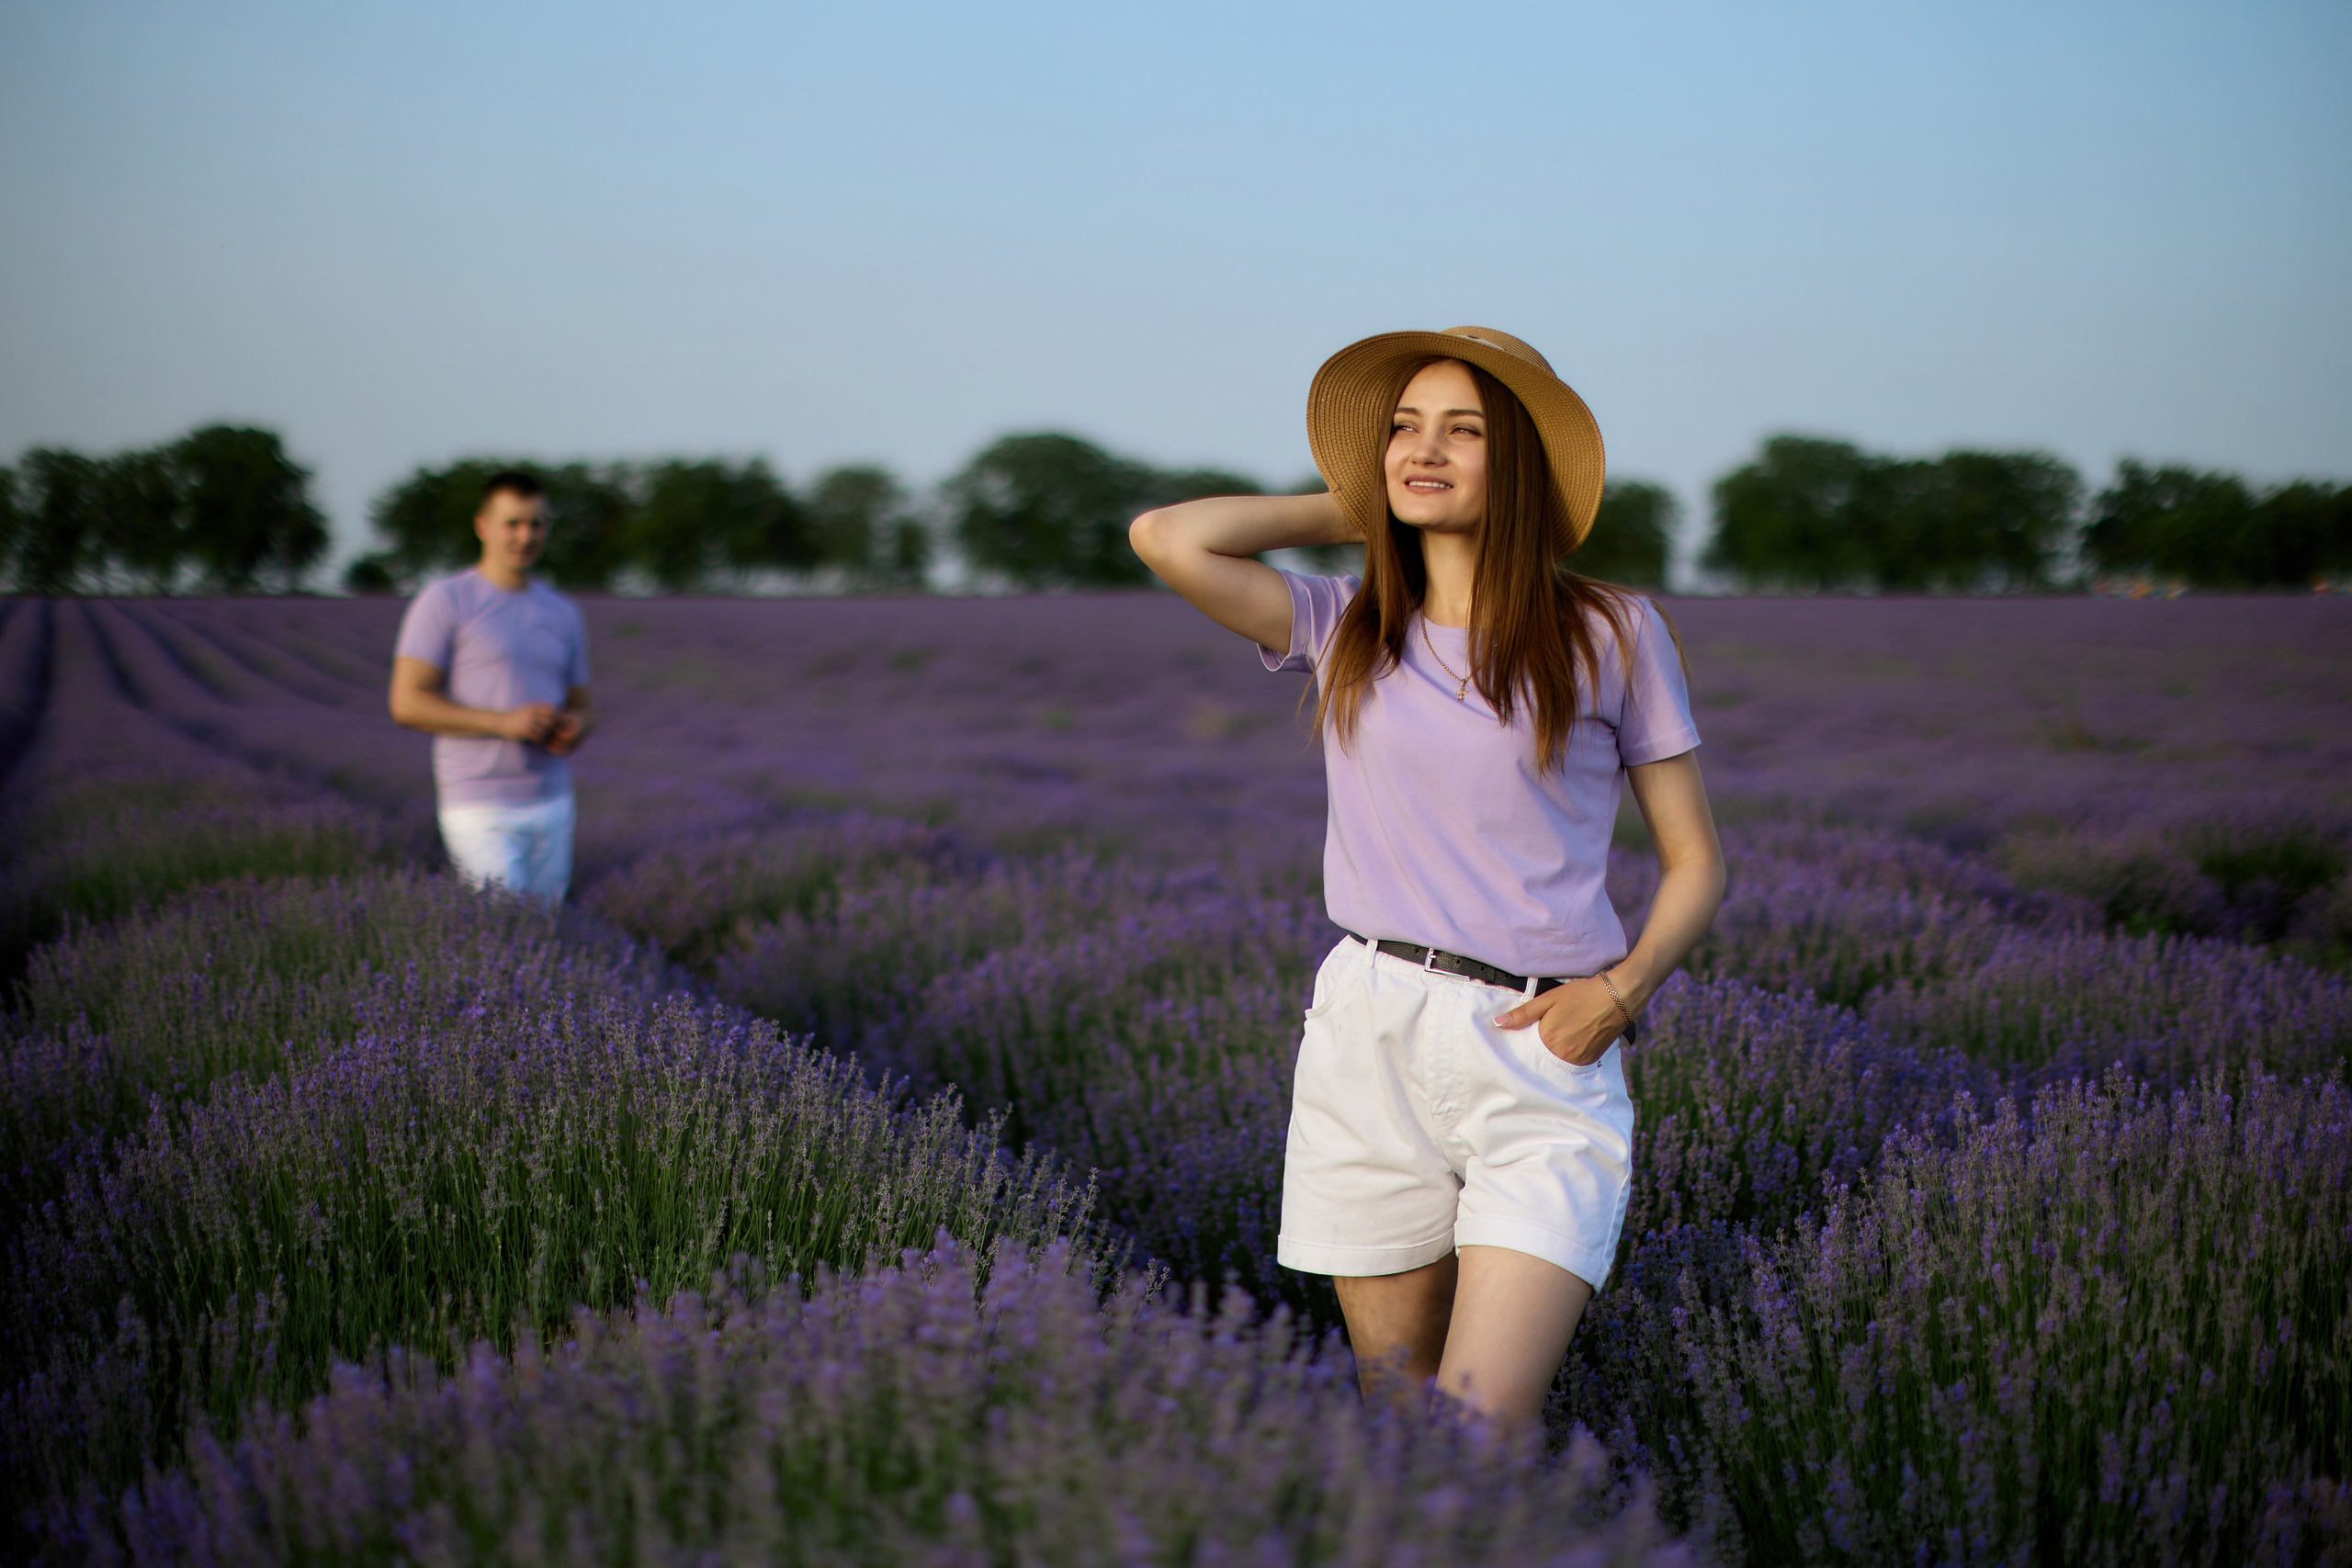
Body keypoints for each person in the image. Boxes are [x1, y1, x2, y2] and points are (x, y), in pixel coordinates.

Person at [1129, 326, 1725, 1430]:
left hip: (1538, 1043)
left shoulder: (1610, 631)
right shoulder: (1350, 622)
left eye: (1463, 432)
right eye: (1404, 429)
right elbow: (1166, 536)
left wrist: (1622, 992)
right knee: (1395, 1415)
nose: (1425, 449)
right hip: (1371, 1027)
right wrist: (1362, 501)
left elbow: (1696, 859)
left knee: (1477, 1428)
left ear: (1522, 466)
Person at [389, 470, 594, 906]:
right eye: (512, 524)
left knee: (541, 938)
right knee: (505, 929)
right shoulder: (447, 600)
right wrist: (503, 723)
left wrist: (574, 726)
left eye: (536, 524)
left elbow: (583, 705)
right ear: (483, 525)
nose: (525, 536)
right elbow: (406, 702)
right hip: (478, 804)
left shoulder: (562, 612)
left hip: (551, 801)